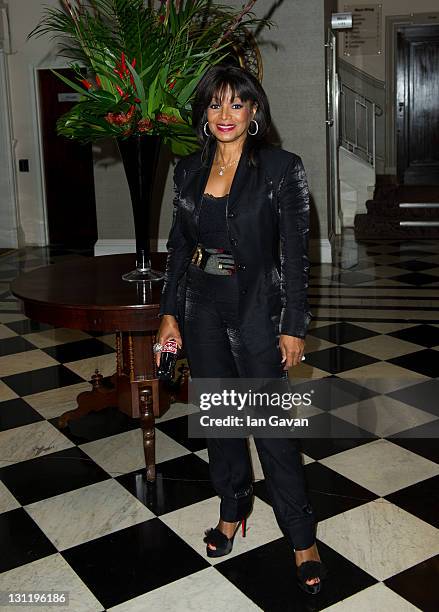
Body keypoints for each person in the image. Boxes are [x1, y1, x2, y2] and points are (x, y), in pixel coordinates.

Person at [155, 64, 326, 594]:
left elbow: (296, 257)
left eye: (236, 103)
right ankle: (233, 510)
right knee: (222, 424)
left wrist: (292, 325)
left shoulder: (281, 168)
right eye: (214, 104)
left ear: (254, 112)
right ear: (203, 113)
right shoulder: (186, 170)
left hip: (256, 311)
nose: (224, 114)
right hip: (202, 311)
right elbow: (180, 248)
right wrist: (170, 313)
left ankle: (301, 536)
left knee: (273, 431)